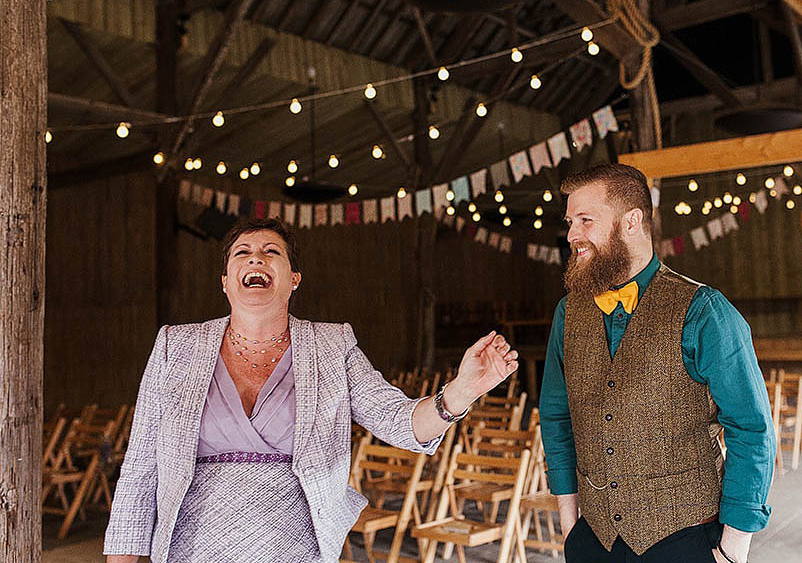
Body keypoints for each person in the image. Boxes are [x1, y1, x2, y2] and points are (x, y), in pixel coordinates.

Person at [103, 217, 518, 563]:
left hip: (296, 544)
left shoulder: (331, 346)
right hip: (191, 547)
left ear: (293, 278)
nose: (256, 258)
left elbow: (398, 422)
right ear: (226, 281)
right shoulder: (177, 346)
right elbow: (140, 469)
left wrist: (462, 391)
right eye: (242, 253)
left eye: (272, 252)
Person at [540, 164, 776, 563]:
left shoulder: (705, 311)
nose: (572, 235)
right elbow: (556, 417)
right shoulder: (567, 313)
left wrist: (734, 547)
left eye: (585, 221)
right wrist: (570, 525)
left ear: (632, 221)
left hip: (686, 537)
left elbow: (751, 428)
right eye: (569, 222)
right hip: (592, 538)